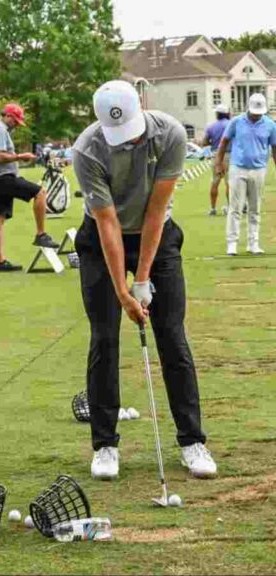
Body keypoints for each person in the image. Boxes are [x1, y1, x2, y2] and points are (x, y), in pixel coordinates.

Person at [72, 80, 215, 482]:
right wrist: (123, 290)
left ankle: (192, 441)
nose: (126, 144)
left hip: (157, 236)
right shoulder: (87, 150)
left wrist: (143, 279)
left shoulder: (169, 133)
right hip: (103, 243)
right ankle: (105, 446)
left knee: (171, 335)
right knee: (104, 338)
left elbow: (155, 212)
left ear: (142, 106)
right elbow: (108, 223)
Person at [0, 103, 59, 272]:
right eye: (15, 121)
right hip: (3, 179)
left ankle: (0, 261)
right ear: (7, 116)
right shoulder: (0, 130)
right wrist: (19, 157)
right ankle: (41, 234)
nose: (16, 125)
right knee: (40, 192)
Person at [215, 94, 276, 256]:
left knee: (255, 208)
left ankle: (253, 243)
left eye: (259, 113)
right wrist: (219, 163)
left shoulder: (270, 125)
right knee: (235, 208)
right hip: (238, 168)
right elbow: (223, 143)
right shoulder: (236, 122)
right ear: (248, 108)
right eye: (255, 112)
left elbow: (275, 148)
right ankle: (232, 243)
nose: (256, 115)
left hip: (259, 169)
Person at [203, 105, 231, 216]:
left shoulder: (211, 126)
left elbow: (204, 142)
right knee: (229, 183)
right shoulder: (231, 124)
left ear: (217, 114)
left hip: (216, 155)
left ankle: (213, 208)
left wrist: (214, 142)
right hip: (230, 154)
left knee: (215, 182)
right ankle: (230, 207)